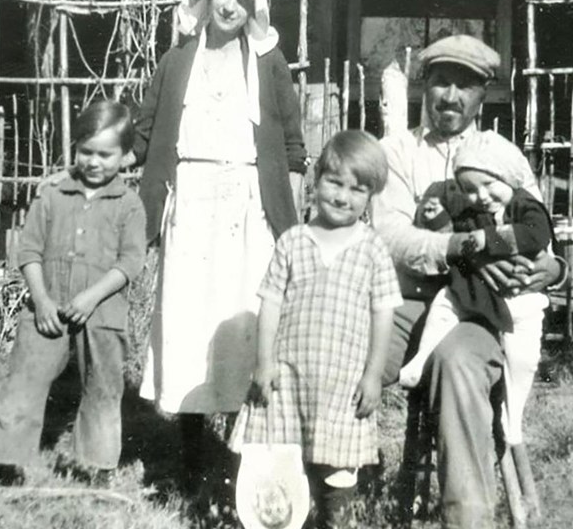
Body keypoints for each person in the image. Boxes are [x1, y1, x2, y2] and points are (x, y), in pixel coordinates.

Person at [130, 0, 306, 486]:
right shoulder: (179, 58)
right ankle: (189, 453)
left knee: (241, 323)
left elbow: (294, 145)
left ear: (256, 6)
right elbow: (144, 130)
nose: (230, 5)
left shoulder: (268, 62)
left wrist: (288, 210)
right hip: (192, 198)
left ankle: (240, 452)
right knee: (188, 320)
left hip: (249, 206)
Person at [371, 34, 565, 528]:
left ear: (483, 95)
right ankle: (330, 493)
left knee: (458, 364)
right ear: (424, 88)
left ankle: (469, 519)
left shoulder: (504, 156)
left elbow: (537, 234)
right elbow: (392, 236)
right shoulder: (394, 153)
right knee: (340, 346)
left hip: (477, 312)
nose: (451, 97)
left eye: (465, 86)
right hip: (405, 301)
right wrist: (466, 252)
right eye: (441, 83)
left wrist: (556, 270)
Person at [232, 131, 401, 529]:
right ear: (316, 180)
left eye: (357, 190)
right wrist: (264, 361)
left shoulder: (372, 249)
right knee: (281, 460)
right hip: (289, 378)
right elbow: (270, 303)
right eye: (334, 183)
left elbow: (383, 315)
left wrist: (373, 374)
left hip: (344, 383)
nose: (343, 197)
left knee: (337, 467)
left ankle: (333, 519)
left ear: (370, 196)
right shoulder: (293, 241)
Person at [0, 100, 146, 487]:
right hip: (47, 309)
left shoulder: (129, 205)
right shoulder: (51, 195)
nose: (94, 161)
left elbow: (131, 261)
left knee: (103, 388)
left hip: (101, 315)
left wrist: (91, 298)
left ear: (124, 157)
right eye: (86, 151)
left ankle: (98, 468)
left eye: (106, 154)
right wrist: (41, 300)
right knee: (24, 379)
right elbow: (29, 251)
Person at [398, 130, 554, 448]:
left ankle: (514, 415)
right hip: (480, 294)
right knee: (445, 304)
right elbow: (457, 234)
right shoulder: (476, 212)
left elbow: (536, 235)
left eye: (489, 185)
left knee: (522, 357)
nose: (481, 196)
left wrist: (489, 240)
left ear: (508, 177)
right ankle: (420, 358)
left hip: (520, 297)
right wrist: (439, 216)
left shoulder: (526, 205)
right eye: (470, 189)